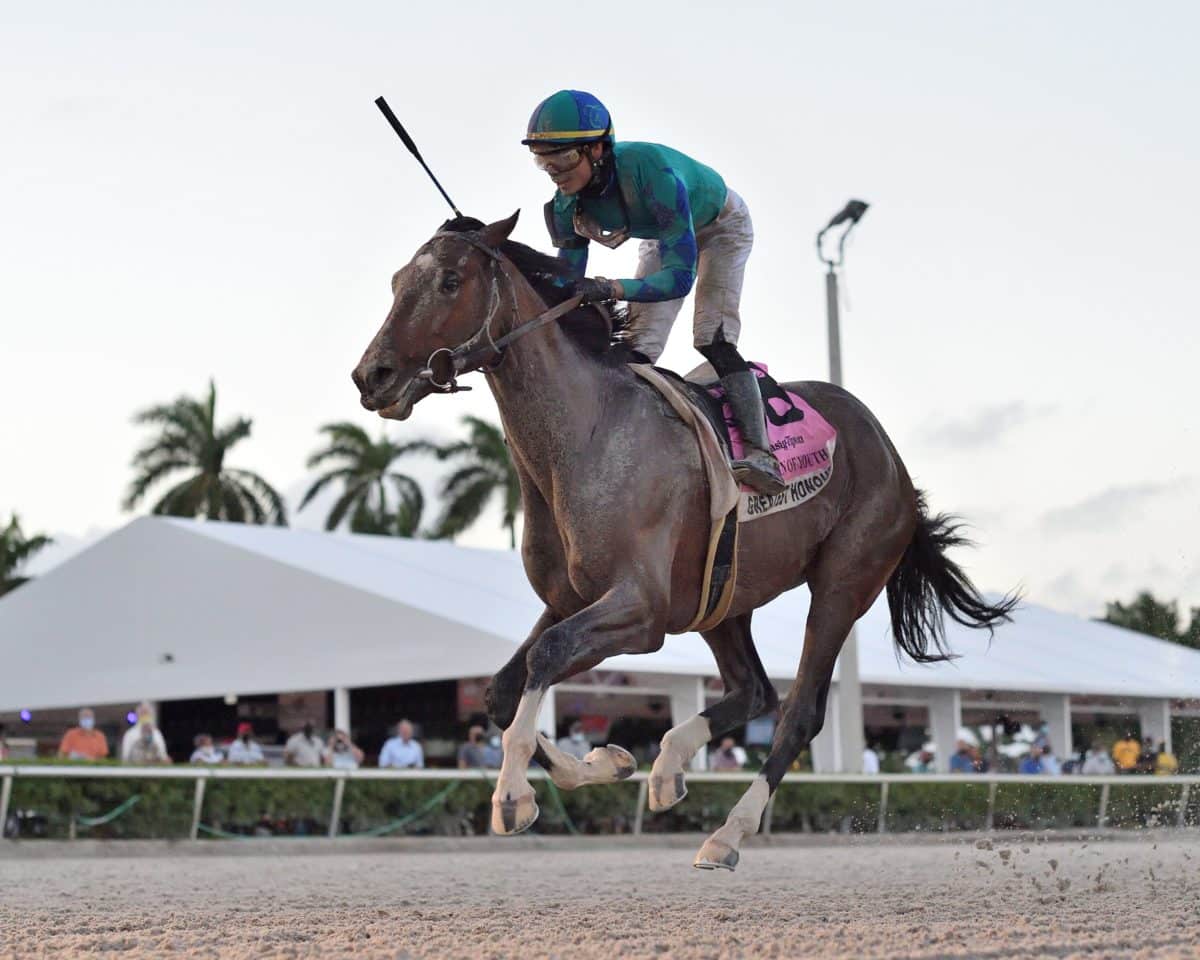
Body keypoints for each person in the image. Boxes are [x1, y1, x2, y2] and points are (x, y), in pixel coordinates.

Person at [524, 89, 784, 495]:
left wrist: (610, 287)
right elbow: (566, 285)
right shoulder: (564, 204)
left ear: (597, 148)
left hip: (720, 227)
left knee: (711, 337)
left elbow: (680, 278)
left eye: (564, 158)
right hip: (666, 235)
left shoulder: (655, 177)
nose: (555, 171)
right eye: (545, 160)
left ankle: (761, 452)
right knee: (638, 348)